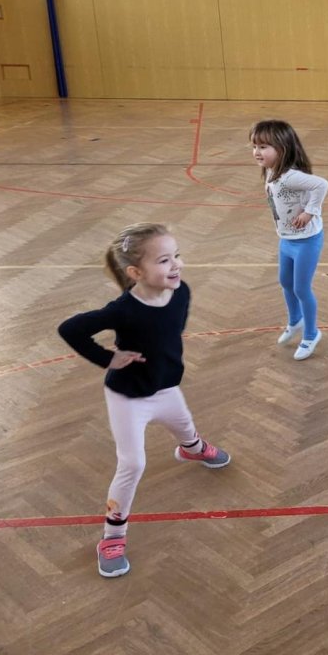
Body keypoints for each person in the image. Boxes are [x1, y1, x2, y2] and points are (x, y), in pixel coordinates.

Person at [57, 223, 230, 578]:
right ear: (136, 273)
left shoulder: (181, 292)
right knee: (133, 464)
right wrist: (107, 358)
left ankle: (193, 449)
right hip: (128, 397)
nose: (176, 265)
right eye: (164, 260)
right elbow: (70, 328)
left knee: (185, 427)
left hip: (165, 388)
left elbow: (170, 332)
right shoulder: (124, 310)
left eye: (176, 255)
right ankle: (112, 536)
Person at [250, 119, 328, 361]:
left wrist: (310, 212)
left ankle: (311, 334)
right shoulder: (272, 171)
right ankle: (295, 320)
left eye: (263, 147)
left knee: (301, 288)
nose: (257, 152)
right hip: (286, 240)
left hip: (306, 241)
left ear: (282, 148)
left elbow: (322, 184)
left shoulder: (290, 176)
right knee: (285, 281)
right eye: (254, 146)